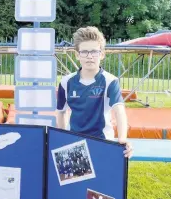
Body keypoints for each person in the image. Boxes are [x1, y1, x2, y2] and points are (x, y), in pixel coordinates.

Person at [56, 26, 133, 158]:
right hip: (74, 145)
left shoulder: (110, 81)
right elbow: (61, 112)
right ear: (77, 54)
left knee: (104, 178)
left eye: (94, 52)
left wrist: (122, 138)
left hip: (103, 143)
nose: (89, 56)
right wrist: (61, 139)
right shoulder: (66, 82)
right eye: (84, 52)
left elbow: (119, 111)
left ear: (102, 54)